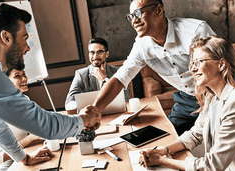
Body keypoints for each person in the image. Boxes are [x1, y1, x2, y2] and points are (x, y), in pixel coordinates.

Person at [0, 3, 100, 171]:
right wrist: (83, 120)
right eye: (25, 38)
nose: (27, 47)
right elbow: (44, 124)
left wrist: (23, 158)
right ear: (6, 37)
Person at [92, 0, 215, 135]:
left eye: (138, 13)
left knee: (219, 140)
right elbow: (120, 78)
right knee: (167, 138)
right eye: (131, 16)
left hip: (215, 94)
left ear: (159, 10)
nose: (134, 21)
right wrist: (95, 110)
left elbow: (222, 69)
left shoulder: (195, 31)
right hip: (187, 99)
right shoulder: (141, 46)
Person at [139, 35, 235, 171]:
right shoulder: (212, 96)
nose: (193, 69)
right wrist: (163, 150)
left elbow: (213, 165)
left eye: (199, 62)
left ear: (221, 64)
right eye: (193, 63)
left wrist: (162, 161)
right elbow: (195, 135)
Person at [0, 68, 43, 171]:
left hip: (26, 155)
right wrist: (28, 140)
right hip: (8, 166)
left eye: (24, 74)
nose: (24, 79)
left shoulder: (25, 100)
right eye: (17, 76)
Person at [65, 38, 131, 114]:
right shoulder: (80, 74)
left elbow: (127, 97)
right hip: (91, 116)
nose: (95, 56)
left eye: (99, 52)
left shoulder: (118, 71)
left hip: (116, 113)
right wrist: (84, 108)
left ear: (107, 54)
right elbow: (69, 102)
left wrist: (105, 78)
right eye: (92, 52)